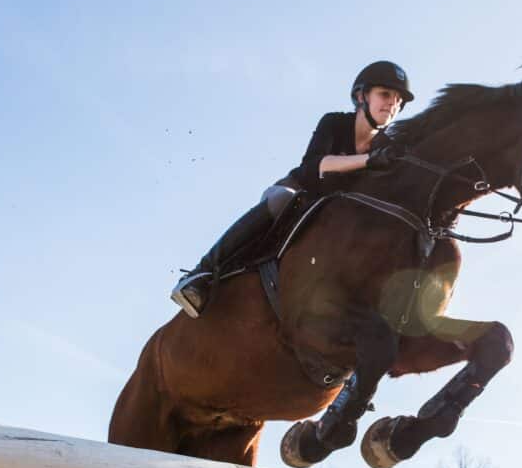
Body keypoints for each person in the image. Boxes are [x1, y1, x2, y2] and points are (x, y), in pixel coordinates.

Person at [170, 61, 415, 318]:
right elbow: (313, 167)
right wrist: (368, 161)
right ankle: (202, 274)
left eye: (399, 100)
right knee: (281, 199)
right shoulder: (334, 123)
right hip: (298, 195)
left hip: (334, 216)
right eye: (385, 94)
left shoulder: (387, 148)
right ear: (361, 96)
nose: (393, 104)